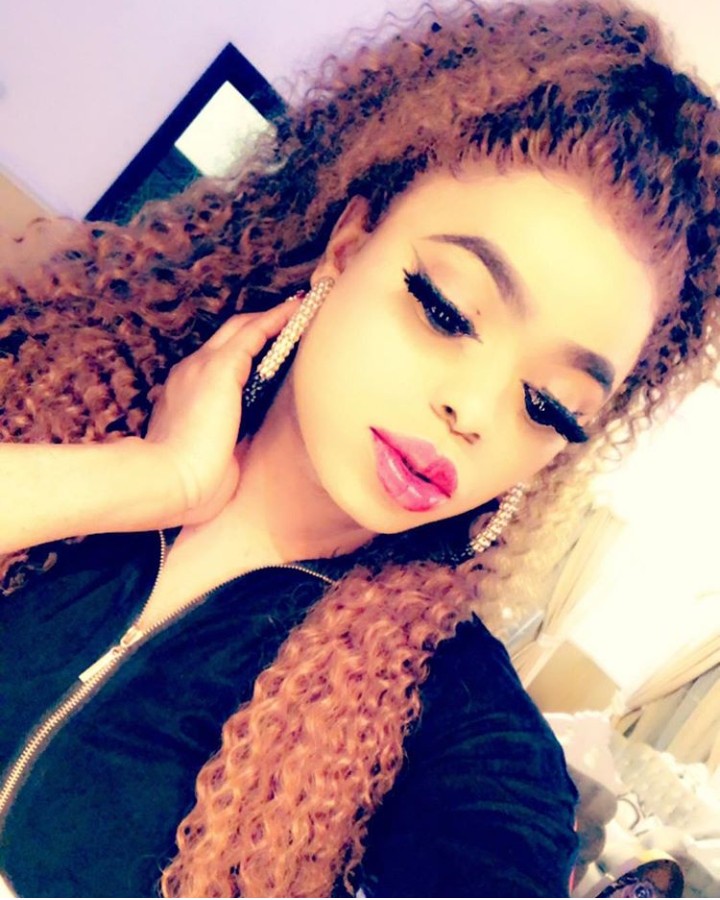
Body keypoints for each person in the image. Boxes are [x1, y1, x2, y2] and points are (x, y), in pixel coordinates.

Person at [1, 1, 719, 896]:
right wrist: (148, 479)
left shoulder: (456, 728)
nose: (473, 411)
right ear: (348, 247)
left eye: (549, 407)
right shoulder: (54, 385)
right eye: (447, 310)